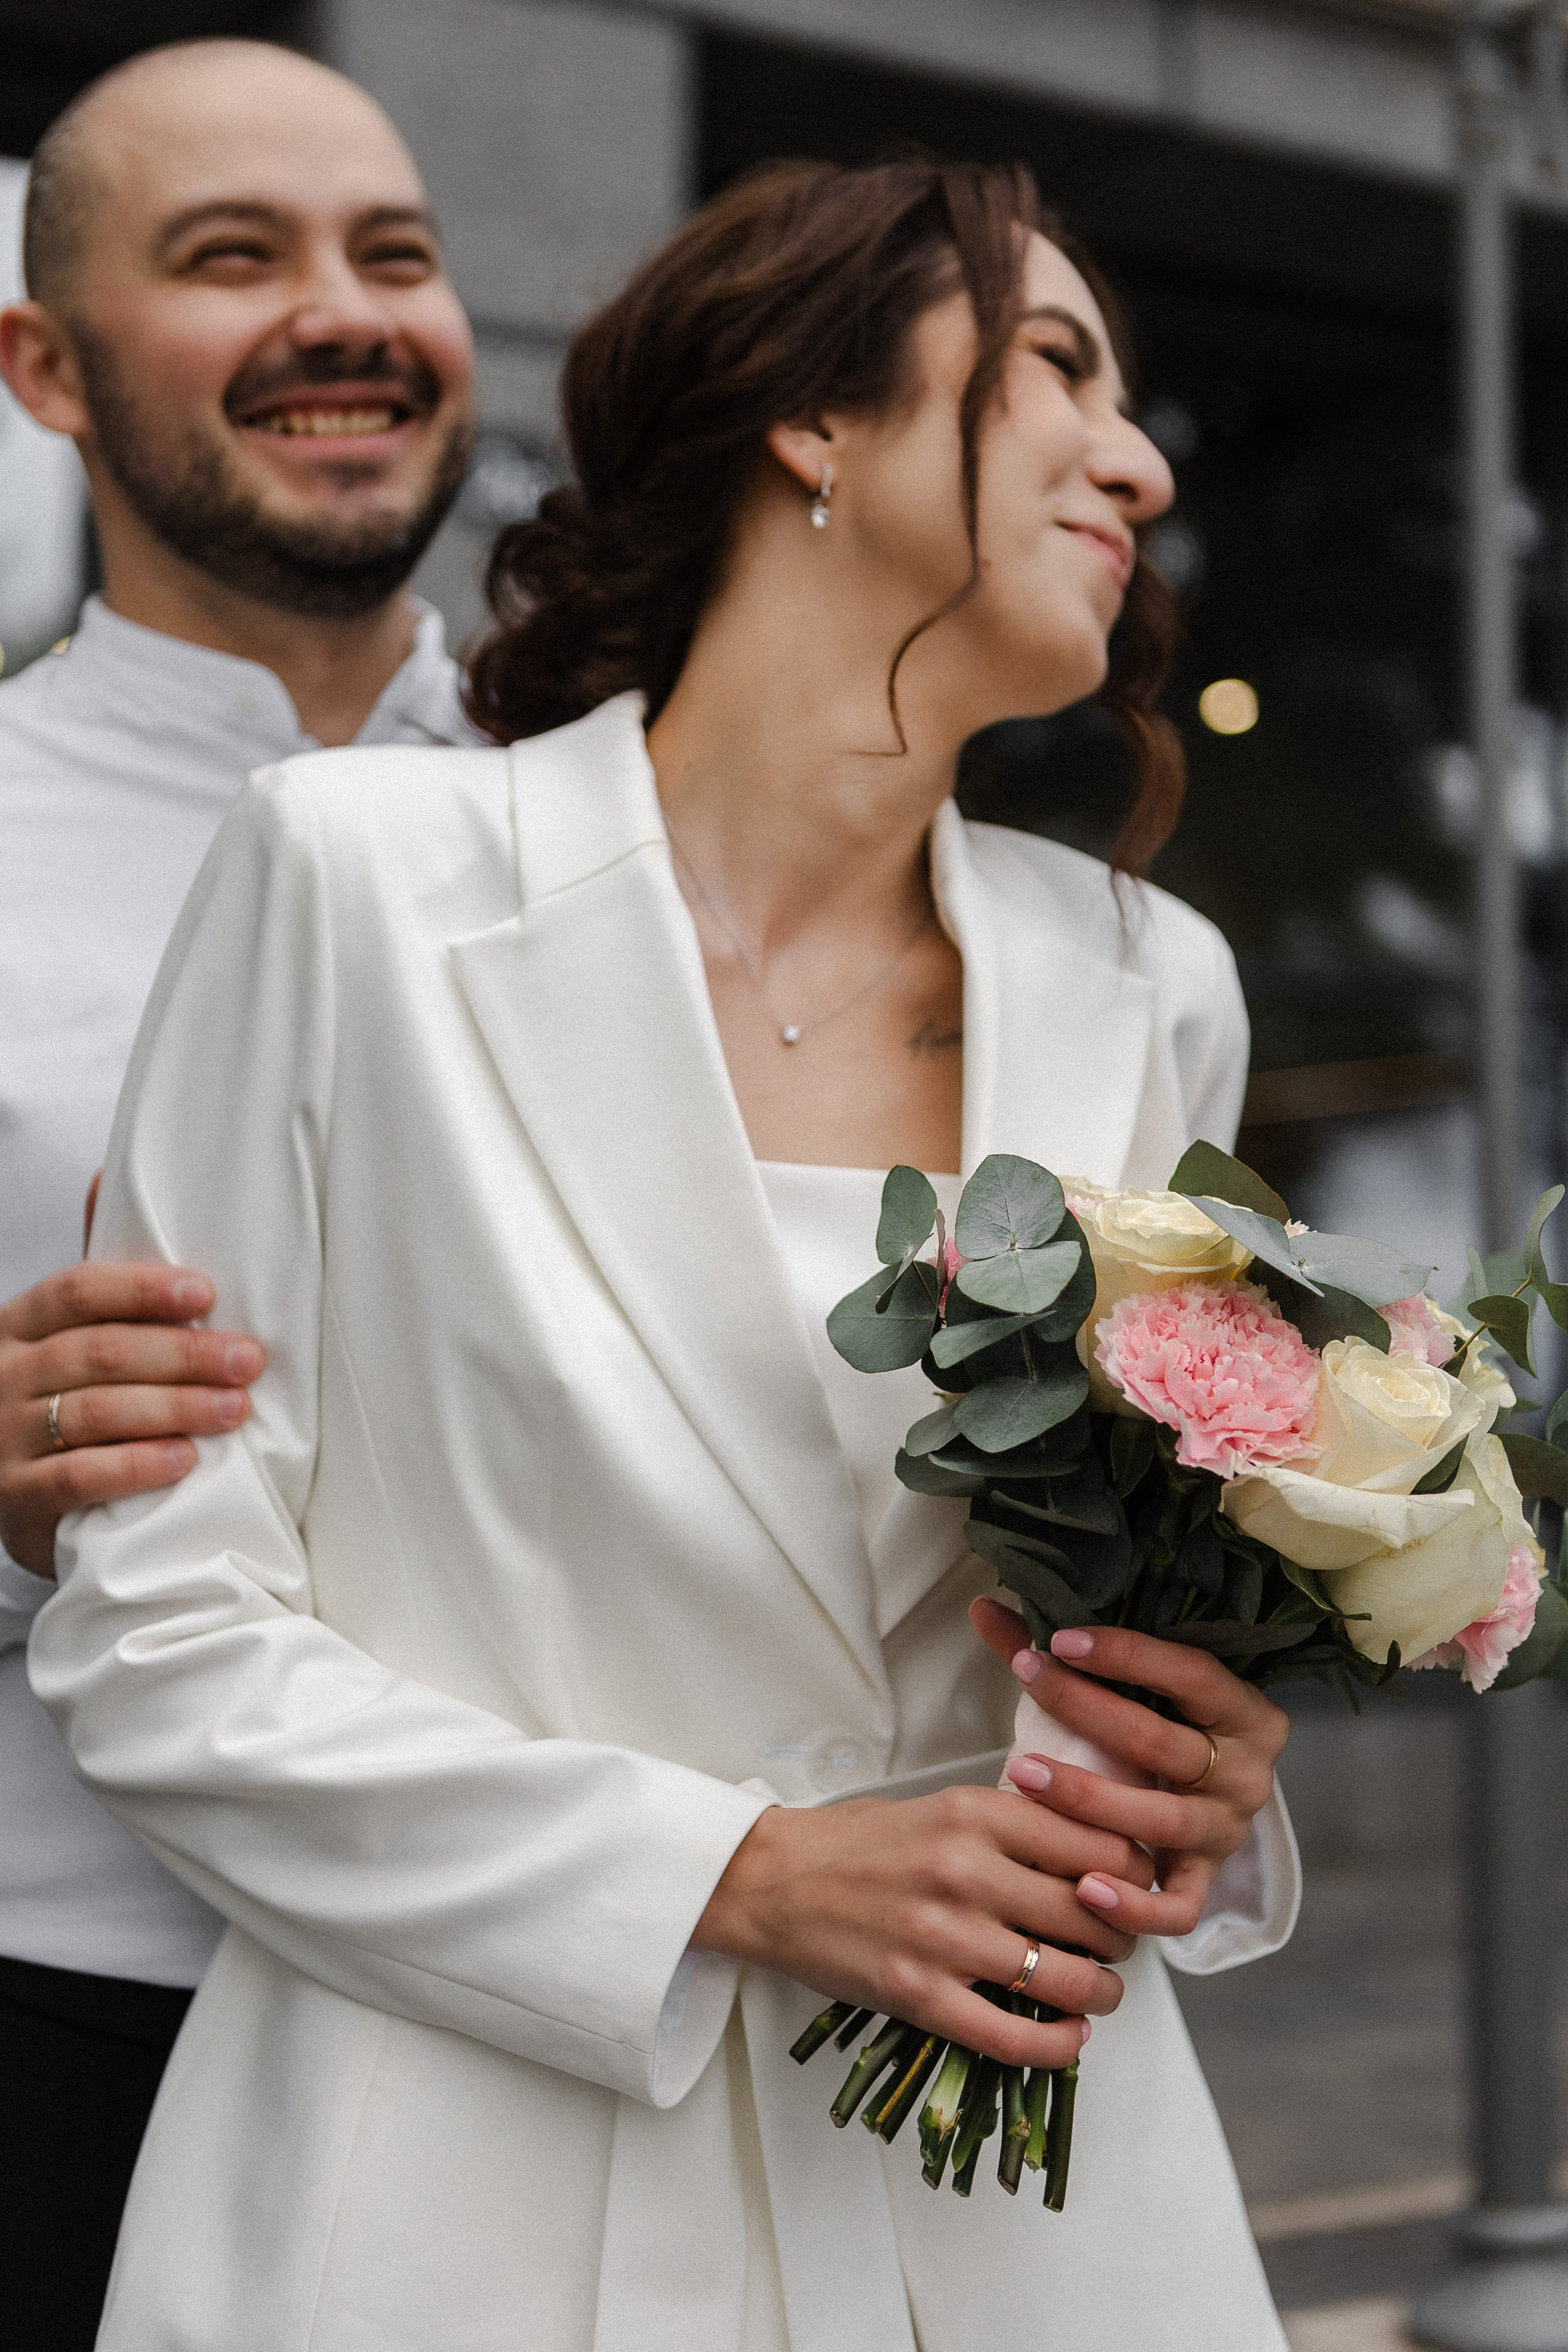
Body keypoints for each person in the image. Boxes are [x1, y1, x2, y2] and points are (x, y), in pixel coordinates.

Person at [31, 158, 1295, 2350]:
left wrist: (1195, 1776)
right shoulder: (354, 881)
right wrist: (745, 1876)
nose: (1142, 455)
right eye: (1061, 366)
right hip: (451, 2177)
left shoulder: (1148, 980)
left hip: (1018, 2208)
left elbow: (1104, 1611)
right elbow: (160, 1640)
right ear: (811, 413)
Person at [0, 38, 477, 2346]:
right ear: (42, 365)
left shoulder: (668, 828)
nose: (345, 309)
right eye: (232, 257)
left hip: (608, 2054)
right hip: (67, 2031)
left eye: (394, 253)